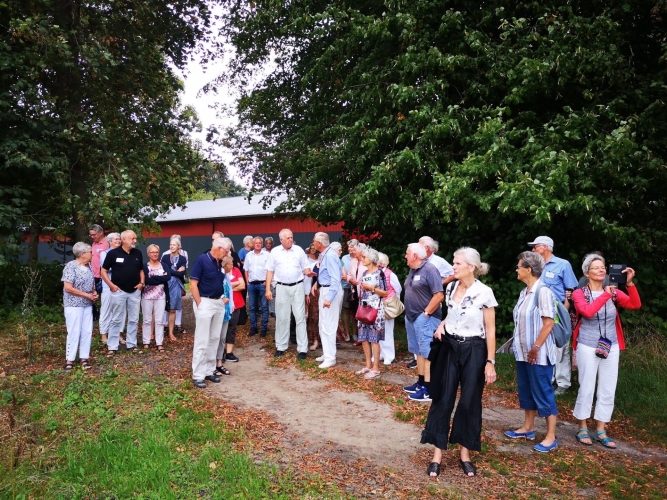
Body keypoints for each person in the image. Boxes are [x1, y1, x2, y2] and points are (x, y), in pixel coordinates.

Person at [421, 247, 497, 478]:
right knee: (442, 398)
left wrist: (490, 361)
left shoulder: (484, 292)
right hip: (450, 347)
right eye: (453, 263)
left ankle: (465, 454)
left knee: (469, 401)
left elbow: (490, 329)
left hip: (474, 349)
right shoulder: (451, 287)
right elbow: (453, 313)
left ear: (471, 267)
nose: (453, 267)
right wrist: (443, 324)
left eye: (457, 263)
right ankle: (437, 456)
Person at [571, 254, 640, 449]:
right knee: (587, 387)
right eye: (596, 267)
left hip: (611, 345)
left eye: (603, 267)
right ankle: (582, 426)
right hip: (587, 345)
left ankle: (601, 429)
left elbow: (635, 304)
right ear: (587, 273)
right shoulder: (579, 293)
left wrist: (629, 284)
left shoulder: (613, 292)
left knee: (608, 388)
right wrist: (606, 295)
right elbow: (587, 312)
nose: (601, 270)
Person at [504, 251, 559, 453]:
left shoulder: (542, 291)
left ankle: (551, 436)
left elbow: (549, 323)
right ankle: (528, 428)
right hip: (523, 353)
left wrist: (536, 347)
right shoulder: (524, 292)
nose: (516, 270)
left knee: (543, 392)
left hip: (539, 355)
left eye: (519, 267)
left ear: (528, 269)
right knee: (526, 389)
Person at [529, 236, 578, 395]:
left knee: (560, 348)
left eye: (535, 246)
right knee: (542, 345)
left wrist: (563, 312)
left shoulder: (563, 264)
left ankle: (563, 383)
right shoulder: (535, 266)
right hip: (538, 312)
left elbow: (571, 290)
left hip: (557, 312)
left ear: (545, 247)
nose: (533, 250)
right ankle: (546, 380)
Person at [402, 243, 444, 402]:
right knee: (418, 351)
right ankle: (421, 383)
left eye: (407, 253)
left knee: (427, 353)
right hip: (411, 317)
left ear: (414, 256)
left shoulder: (430, 270)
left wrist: (426, 313)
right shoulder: (413, 270)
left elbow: (439, 295)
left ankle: (429, 388)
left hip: (425, 318)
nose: (405, 256)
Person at [190, 237, 231, 389]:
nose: (227, 254)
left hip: (218, 302)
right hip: (205, 301)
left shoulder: (220, 263)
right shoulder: (202, 260)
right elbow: (193, 284)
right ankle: (198, 374)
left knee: (214, 338)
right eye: (226, 251)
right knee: (202, 339)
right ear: (219, 248)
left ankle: (209, 369)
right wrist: (199, 304)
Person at [265, 229, 310, 359]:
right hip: (281, 287)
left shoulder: (299, 250)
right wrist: (268, 289)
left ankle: (302, 349)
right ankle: (281, 346)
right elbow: (269, 271)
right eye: (288, 238)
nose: (291, 239)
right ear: (281, 240)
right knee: (282, 317)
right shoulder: (275, 252)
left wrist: (309, 272)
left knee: (300, 317)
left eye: (291, 237)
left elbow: (306, 267)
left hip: (297, 286)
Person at [101, 230, 145, 356]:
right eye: (132, 238)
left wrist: (142, 283)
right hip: (119, 291)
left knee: (134, 319)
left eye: (135, 238)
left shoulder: (137, 253)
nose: (135, 241)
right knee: (116, 319)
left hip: (135, 291)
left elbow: (141, 270)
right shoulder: (113, 253)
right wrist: (111, 285)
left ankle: (131, 344)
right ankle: (112, 346)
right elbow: (103, 271)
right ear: (124, 240)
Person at [62, 242, 98, 371]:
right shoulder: (71, 266)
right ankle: (70, 359)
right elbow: (68, 288)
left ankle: (84, 358)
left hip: (87, 305)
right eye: (90, 252)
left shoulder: (89, 266)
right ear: (82, 254)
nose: (92, 254)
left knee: (87, 331)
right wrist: (86, 295)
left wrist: (94, 293)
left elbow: (91, 284)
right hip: (73, 305)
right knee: (74, 331)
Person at [353, 247, 388, 378]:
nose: (362, 259)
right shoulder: (364, 273)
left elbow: (385, 292)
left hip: (375, 309)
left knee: (374, 339)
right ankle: (368, 365)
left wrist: (371, 288)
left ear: (372, 259)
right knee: (363, 337)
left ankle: (376, 368)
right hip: (364, 307)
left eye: (365, 257)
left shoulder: (379, 273)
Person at [311, 232, 343, 368]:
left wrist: (329, 298)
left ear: (319, 243)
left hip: (330, 290)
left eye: (314, 241)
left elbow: (335, 278)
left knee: (329, 324)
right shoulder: (325, 254)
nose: (313, 243)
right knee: (323, 323)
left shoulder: (330, 255)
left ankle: (331, 357)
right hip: (325, 288)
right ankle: (327, 352)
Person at [141, 245, 171, 351]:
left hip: (161, 296)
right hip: (147, 296)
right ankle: (146, 341)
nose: (155, 254)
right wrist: (160, 278)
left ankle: (159, 342)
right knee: (147, 320)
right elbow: (147, 280)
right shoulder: (145, 266)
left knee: (159, 320)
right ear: (148, 254)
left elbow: (167, 277)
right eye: (152, 252)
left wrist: (153, 277)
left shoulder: (164, 265)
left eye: (157, 252)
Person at [377, 252, 402, 365]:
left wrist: (394, 301)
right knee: (378, 330)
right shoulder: (375, 273)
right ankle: (380, 353)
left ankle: (389, 355)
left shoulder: (390, 274)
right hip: (377, 305)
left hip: (388, 305)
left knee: (387, 331)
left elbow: (398, 289)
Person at [161, 234, 189, 335]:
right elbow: (163, 271)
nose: (171, 246)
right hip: (166, 285)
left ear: (178, 246)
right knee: (164, 305)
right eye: (170, 244)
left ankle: (172, 330)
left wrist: (170, 271)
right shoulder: (165, 257)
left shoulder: (182, 258)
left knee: (174, 308)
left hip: (177, 285)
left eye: (174, 245)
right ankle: (163, 326)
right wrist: (176, 271)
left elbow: (181, 273)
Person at [224, 241, 246, 363]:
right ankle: (220, 352)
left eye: (232, 263)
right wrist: (235, 284)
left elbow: (242, 285)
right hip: (224, 304)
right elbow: (221, 287)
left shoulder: (236, 270)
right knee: (222, 328)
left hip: (236, 303)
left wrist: (229, 287)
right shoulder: (221, 272)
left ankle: (229, 352)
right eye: (229, 263)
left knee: (232, 328)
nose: (232, 265)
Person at [244, 236, 270, 337]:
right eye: (256, 243)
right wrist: (247, 281)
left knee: (264, 307)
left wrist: (267, 281)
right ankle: (253, 328)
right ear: (253, 244)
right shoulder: (248, 255)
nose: (258, 244)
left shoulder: (267, 255)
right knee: (252, 307)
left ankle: (263, 328)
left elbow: (270, 269)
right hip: (251, 284)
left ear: (262, 244)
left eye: (259, 243)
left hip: (262, 284)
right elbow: (246, 269)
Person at [215, 255, 236, 376]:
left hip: (226, 311)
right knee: (215, 337)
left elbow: (230, 292)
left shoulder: (227, 276)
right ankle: (211, 364)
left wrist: (232, 304)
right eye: (230, 264)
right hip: (217, 309)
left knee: (222, 337)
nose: (232, 266)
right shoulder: (218, 275)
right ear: (224, 265)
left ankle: (219, 363)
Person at [99, 232, 121, 344]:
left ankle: (118, 334)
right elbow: (107, 268)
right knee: (106, 310)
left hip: (120, 286)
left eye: (119, 239)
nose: (118, 241)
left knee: (119, 311)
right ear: (110, 241)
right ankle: (104, 335)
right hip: (108, 285)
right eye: (116, 239)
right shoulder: (104, 253)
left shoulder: (122, 253)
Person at [348, 242, 368, 346]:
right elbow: (349, 274)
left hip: (365, 291)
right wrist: (350, 280)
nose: (353, 252)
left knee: (365, 314)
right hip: (354, 291)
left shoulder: (367, 261)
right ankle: (361, 336)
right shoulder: (353, 261)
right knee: (357, 314)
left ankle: (366, 337)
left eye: (355, 250)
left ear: (361, 251)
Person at [88, 224, 108, 321]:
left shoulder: (107, 243)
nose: (92, 237)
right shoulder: (94, 243)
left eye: (94, 235)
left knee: (104, 298)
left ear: (100, 233)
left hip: (103, 276)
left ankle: (104, 318)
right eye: (91, 235)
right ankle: (95, 315)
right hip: (93, 275)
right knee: (92, 296)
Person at [341, 239, 359, 341]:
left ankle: (355, 333)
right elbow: (342, 272)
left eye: (352, 247)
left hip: (357, 288)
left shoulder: (359, 257)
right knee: (347, 311)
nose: (350, 249)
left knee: (355, 311)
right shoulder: (344, 258)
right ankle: (347, 333)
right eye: (349, 247)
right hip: (346, 287)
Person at [304, 244, 321, 350]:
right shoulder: (312, 264)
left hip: (325, 292)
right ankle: (315, 340)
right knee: (313, 317)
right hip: (314, 293)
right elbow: (308, 279)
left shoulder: (326, 262)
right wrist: (307, 294)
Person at [265, 237, 276, 318]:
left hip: (273, 274)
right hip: (264, 275)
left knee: (273, 293)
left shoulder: (274, 252)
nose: (268, 245)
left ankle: (272, 310)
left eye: (270, 243)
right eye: (267, 243)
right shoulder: (263, 252)